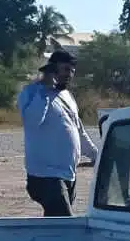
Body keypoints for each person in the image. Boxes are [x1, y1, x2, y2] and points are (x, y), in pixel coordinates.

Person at [18, 50, 98, 217]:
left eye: (72, 71)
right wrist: (46, 91)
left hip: (68, 173)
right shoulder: (31, 93)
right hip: (46, 176)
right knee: (65, 223)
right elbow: (33, 122)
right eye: (65, 70)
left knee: (55, 227)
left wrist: (96, 155)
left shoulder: (67, 95)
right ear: (51, 71)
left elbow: (78, 131)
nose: (70, 75)